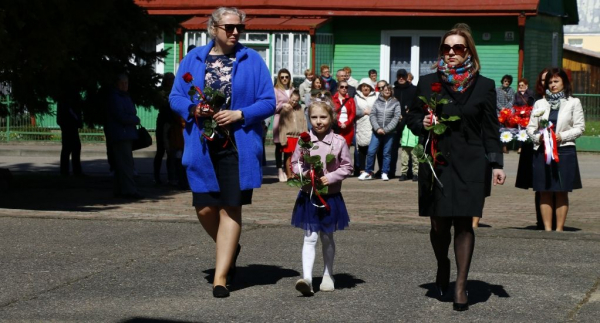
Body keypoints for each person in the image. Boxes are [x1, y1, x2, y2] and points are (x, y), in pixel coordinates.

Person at [169, 6, 276, 298]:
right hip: (201, 144)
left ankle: (221, 276)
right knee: (204, 208)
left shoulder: (252, 59)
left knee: (231, 206)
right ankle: (229, 246)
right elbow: (175, 96)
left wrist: (240, 113)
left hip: (237, 145)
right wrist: (193, 108)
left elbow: (268, 102)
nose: (235, 32)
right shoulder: (193, 59)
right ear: (213, 29)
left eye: (239, 27)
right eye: (229, 27)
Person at [405, 23, 506, 311]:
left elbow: (490, 129)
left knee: (464, 223)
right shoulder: (427, 83)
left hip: (472, 162)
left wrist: (496, 163)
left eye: (458, 48)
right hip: (437, 161)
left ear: (468, 52)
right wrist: (421, 122)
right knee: (438, 224)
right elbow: (411, 116)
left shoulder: (485, 85)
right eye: (446, 48)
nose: (451, 52)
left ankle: (461, 285)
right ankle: (442, 263)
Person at [290, 100, 353, 296]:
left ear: (331, 118)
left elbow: (347, 167)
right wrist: (303, 173)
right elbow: (295, 162)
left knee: (327, 237)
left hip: (330, 196)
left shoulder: (339, 141)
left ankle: (328, 274)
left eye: (323, 117)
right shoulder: (304, 140)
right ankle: (307, 278)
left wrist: (330, 177)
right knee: (309, 237)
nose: (318, 121)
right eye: (314, 117)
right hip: (309, 195)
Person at [526, 68, 584, 232]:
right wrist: (539, 138)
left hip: (564, 151)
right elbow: (531, 127)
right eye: (550, 82)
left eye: (556, 81)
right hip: (542, 151)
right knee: (544, 190)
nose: (552, 85)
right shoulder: (539, 103)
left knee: (561, 191)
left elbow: (580, 128)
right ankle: (547, 228)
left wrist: (561, 137)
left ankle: (559, 230)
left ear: (564, 83)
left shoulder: (574, 102)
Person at [105, 73, 143, 199]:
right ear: (117, 84)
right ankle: (129, 191)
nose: (124, 85)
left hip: (125, 134)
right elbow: (120, 116)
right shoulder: (116, 97)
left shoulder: (124, 96)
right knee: (125, 164)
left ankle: (120, 189)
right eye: (122, 83)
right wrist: (135, 120)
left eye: (126, 83)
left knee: (122, 164)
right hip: (121, 134)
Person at [358, 84, 401, 181]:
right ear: (382, 91)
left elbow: (396, 117)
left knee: (386, 153)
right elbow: (372, 115)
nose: (387, 91)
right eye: (385, 89)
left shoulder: (395, 102)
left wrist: (386, 129)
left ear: (391, 91)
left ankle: (384, 172)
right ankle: (368, 172)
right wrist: (377, 128)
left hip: (389, 133)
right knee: (371, 151)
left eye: (389, 90)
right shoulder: (377, 102)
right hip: (376, 132)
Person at [391, 68, 417, 179]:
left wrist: (408, 113)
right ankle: (392, 172)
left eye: (403, 76)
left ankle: (412, 173)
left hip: (409, 122)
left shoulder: (414, 89)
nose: (401, 78)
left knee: (410, 148)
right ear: (397, 77)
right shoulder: (393, 90)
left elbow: (417, 104)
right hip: (395, 122)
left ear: (407, 77)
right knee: (393, 148)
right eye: (399, 76)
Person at [279, 91, 308, 179]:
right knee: (288, 156)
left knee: (298, 157)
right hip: (288, 136)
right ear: (290, 98)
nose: (294, 102)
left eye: (296, 101)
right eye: (293, 100)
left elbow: (304, 122)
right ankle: (289, 175)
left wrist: (305, 134)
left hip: (298, 136)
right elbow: (282, 125)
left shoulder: (300, 109)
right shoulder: (285, 109)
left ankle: (296, 173)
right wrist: (283, 138)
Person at [273, 68, 295, 182]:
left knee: (288, 145)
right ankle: (279, 170)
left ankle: (288, 170)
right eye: (282, 77)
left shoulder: (292, 89)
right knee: (279, 146)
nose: (284, 79)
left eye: (286, 77)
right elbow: (273, 107)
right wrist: (283, 105)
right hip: (280, 119)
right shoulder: (275, 90)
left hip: (290, 120)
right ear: (279, 78)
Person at [153, 72, 175, 184]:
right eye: (168, 79)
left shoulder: (176, 90)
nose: (170, 81)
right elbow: (158, 104)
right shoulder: (161, 92)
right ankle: (156, 176)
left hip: (173, 123)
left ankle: (171, 177)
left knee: (171, 152)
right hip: (163, 123)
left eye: (172, 79)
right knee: (161, 151)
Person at [57, 86, 83, 176]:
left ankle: (70, 171)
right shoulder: (67, 98)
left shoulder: (65, 97)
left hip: (69, 125)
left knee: (72, 148)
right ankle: (69, 172)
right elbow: (70, 112)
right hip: (68, 125)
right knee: (69, 148)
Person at [354, 82, 377, 175]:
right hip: (361, 124)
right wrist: (364, 112)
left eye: (367, 86)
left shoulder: (375, 97)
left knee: (372, 149)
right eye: (363, 86)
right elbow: (354, 110)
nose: (366, 88)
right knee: (362, 148)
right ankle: (362, 169)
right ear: (361, 88)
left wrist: (372, 112)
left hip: (373, 124)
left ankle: (370, 169)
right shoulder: (356, 97)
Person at [332, 81, 356, 147]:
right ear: (338, 88)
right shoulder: (332, 99)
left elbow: (353, 113)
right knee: (336, 149)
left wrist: (346, 123)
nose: (344, 88)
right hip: (336, 127)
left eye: (346, 87)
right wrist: (339, 123)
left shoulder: (351, 100)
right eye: (342, 87)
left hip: (348, 129)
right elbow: (331, 113)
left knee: (346, 149)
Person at [496, 74, 516, 153]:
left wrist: (506, 109)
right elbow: (495, 101)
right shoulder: (497, 90)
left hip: (508, 113)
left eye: (508, 81)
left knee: (506, 129)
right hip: (499, 112)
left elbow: (512, 101)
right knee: (499, 129)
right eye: (505, 81)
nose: (506, 82)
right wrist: (502, 108)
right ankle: (499, 146)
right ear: (502, 81)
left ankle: (505, 146)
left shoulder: (512, 90)